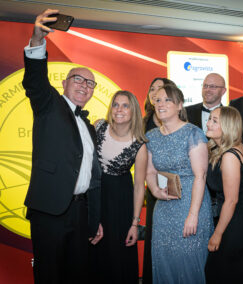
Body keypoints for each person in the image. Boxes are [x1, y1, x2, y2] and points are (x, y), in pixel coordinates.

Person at [23, 9, 102, 283]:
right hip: (50, 211)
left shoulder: (89, 126)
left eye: (89, 83)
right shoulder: (49, 105)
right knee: (49, 275)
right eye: (78, 79)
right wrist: (37, 41)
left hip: (81, 213)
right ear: (63, 82)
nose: (84, 85)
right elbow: (34, 80)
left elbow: (93, 176)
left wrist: (94, 219)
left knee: (77, 275)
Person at [145, 84, 213, 283]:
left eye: (167, 100)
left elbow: (200, 176)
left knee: (188, 263)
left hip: (192, 204)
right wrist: (157, 192)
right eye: (157, 100)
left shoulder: (193, 133)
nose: (161, 104)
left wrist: (193, 215)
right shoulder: (151, 137)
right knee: (163, 262)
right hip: (164, 208)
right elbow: (149, 171)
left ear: (179, 105)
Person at [90, 90, 147, 283]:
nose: (119, 109)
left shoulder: (140, 144)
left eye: (125, 105)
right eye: (115, 104)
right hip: (93, 196)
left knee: (116, 257)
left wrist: (134, 224)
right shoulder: (98, 127)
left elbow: (139, 187)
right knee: (91, 253)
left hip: (119, 203)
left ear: (134, 111)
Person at [204, 106, 243, 284]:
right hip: (240, 217)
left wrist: (218, 233)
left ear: (227, 126)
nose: (208, 123)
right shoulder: (229, 147)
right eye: (209, 118)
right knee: (234, 272)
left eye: (214, 120)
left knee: (220, 272)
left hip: (235, 221)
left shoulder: (229, 156)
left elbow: (231, 200)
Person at [142, 77, 176, 284]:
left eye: (160, 89)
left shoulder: (180, 121)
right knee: (154, 236)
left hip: (176, 187)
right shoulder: (142, 122)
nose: (155, 93)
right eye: (152, 89)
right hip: (152, 186)